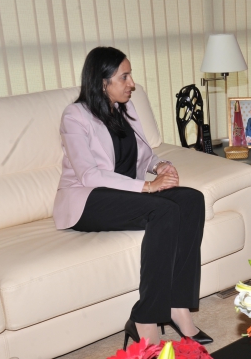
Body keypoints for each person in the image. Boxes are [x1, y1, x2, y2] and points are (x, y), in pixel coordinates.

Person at [53, 47, 212, 348]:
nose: (132, 84)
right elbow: (89, 175)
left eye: (130, 76)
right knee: (163, 211)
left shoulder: (126, 108)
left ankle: (178, 307)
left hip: (126, 192)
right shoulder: (75, 116)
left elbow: (144, 154)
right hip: (89, 199)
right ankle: (145, 318)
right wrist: (149, 187)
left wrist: (159, 166)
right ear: (102, 82)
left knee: (192, 200)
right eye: (124, 77)